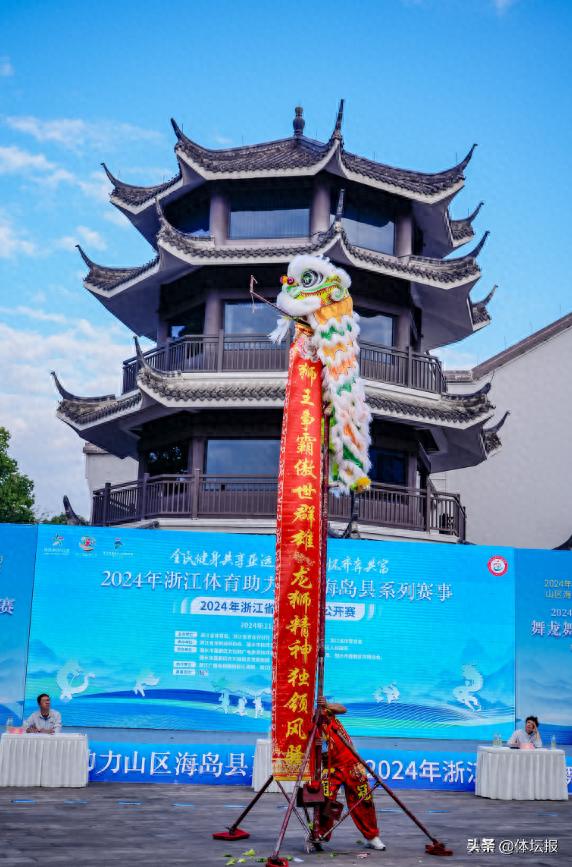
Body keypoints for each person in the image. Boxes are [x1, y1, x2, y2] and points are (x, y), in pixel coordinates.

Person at [316, 697, 385, 851]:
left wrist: (326, 705)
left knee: (363, 799)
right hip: (330, 767)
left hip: (351, 762)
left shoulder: (326, 711)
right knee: (324, 800)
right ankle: (320, 835)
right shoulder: (303, 722)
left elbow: (343, 709)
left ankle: (372, 836)